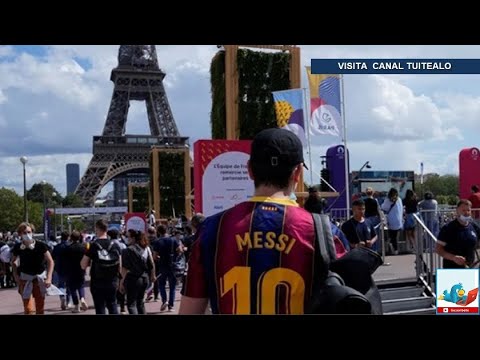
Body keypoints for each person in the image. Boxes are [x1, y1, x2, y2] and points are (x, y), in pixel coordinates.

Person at [179, 128, 319, 314]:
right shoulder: (320, 231)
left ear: (250, 170)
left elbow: (190, 310)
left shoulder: (212, 229)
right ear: (298, 172)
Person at [11, 222, 54, 315]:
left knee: (40, 309)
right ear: (20, 234)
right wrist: (16, 276)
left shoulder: (41, 245)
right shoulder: (18, 247)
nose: (27, 235)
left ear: (33, 232)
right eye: (24, 233)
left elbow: (50, 261)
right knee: (28, 309)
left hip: (39, 279)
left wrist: (49, 277)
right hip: (25, 280)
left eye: (29, 232)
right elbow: (13, 262)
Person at [80, 219, 122, 315]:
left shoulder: (93, 246)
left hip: (97, 281)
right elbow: (120, 265)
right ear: (107, 229)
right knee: (112, 305)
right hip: (112, 281)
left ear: (97, 229)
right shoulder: (115, 245)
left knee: (100, 307)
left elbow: (83, 265)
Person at [436, 199, 480, 269]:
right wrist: (453, 258)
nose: (466, 213)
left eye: (468, 210)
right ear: (457, 211)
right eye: (463, 210)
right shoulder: (448, 228)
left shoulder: (474, 226)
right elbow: (439, 250)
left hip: (471, 269)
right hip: (452, 269)